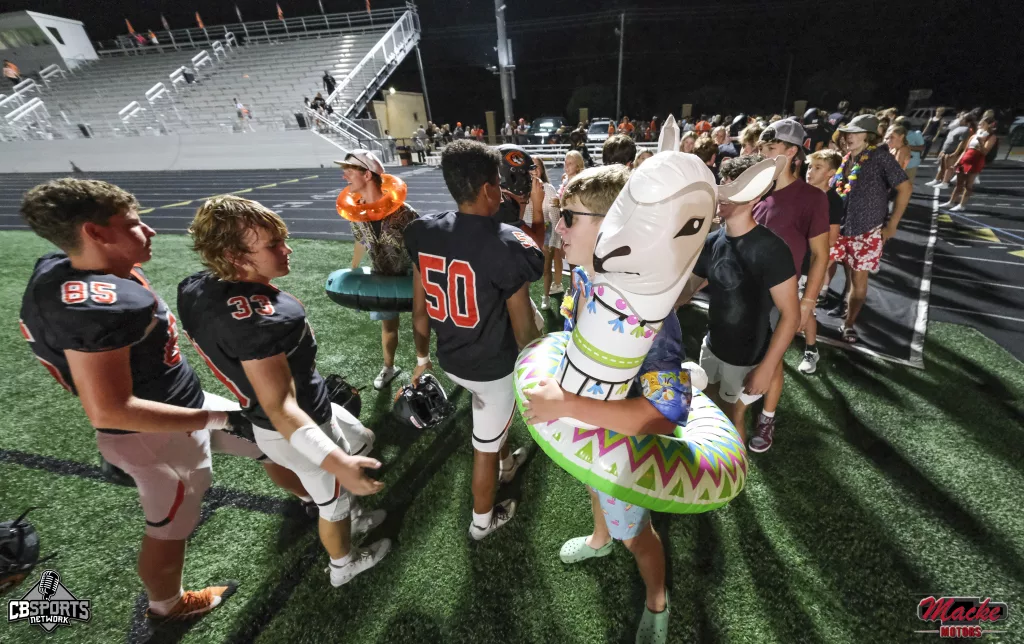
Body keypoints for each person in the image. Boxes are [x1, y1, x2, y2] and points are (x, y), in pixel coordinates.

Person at [17, 179, 307, 624]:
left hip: (177, 404)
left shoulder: (61, 268)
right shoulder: (99, 307)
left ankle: (310, 496)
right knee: (171, 528)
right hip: (155, 434)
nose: (149, 230)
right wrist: (216, 418)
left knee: (268, 443)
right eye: (133, 224)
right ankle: (168, 605)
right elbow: (109, 408)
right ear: (95, 233)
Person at [179, 196, 390, 588]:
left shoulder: (195, 288)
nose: (287, 249)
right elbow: (280, 405)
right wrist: (335, 461)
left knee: (363, 439)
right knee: (334, 501)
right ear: (234, 255)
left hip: (292, 410)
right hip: (295, 425)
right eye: (273, 244)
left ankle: (353, 516)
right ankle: (343, 566)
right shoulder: (260, 320)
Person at [522, 164, 679, 644]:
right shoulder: (583, 276)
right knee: (592, 486)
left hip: (626, 447)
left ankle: (657, 599)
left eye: (569, 216)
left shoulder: (646, 309)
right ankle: (599, 538)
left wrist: (567, 404)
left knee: (637, 536)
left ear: (613, 227)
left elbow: (662, 417)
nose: (558, 227)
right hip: (592, 433)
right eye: (559, 213)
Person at [404, 140, 542, 540]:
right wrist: (542, 373)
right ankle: (482, 522)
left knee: (491, 424)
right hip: (491, 367)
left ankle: (507, 465)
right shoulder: (505, 243)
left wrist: (421, 358)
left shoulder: (424, 231)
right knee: (484, 444)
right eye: (498, 181)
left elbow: (419, 308)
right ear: (488, 189)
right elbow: (524, 329)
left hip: (451, 359)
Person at [676, 155, 799, 441]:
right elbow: (686, 291)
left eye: (734, 187)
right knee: (706, 409)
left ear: (754, 196)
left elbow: (791, 315)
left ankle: (734, 468)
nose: (723, 194)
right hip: (713, 345)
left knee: (732, 418)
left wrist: (767, 368)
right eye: (724, 183)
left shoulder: (772, 249)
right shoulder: (712, 241)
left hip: (747, 357)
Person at [750, 120, 829, 453]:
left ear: (792, 152)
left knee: (772, 358)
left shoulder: (811, 198)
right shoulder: (755, 189)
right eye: (762, 148)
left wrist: (807, 303)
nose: (764, 154)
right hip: (743, 290)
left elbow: (820, 254)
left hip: (779, 295)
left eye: (771, 148)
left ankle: (766, 418)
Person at [829, 114, 912, 343]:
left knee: (859, 279)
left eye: (856, 132)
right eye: (848, 133)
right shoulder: (847, 158)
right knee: (835, 270)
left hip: (866, 230)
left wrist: (892, 225)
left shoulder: (880, 157)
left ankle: (849, 325)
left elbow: (905, 188)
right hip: (840, 228)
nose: (849, 137)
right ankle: (829, 307)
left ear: (869, 136)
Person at [340, 150, 420, 389]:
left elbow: (422, 248)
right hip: (382, 277)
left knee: (423, 324)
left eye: (350, 170)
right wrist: (354, 268)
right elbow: (361, 241)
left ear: (367, 175)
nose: (344, 176)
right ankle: (389, 367)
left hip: (411, 277)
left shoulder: (405, 212)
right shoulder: (356, 213)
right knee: (388, 327)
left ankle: (423, 364)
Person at [804, 148, 846, 351]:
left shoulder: (833, 201)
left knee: (805, 307)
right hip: (792, 257)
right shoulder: (800, 192)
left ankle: (811, 348)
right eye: (810, 167)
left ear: (831, 173)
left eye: (817, 168)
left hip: (809, 262)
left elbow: (832, 239)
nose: (810, 172)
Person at [523, 158, 562, 310]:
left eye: (537, 167)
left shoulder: (549, 189)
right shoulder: (521, 188)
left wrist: (555, 240)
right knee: (524, 267)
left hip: (545, 229)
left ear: (542, 170)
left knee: (546, 267)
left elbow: (555, 215)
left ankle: (546, 296)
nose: (534, 170)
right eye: (531, 167)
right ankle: (524, 297)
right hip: (525, 230)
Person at [941, 118, 997, 211]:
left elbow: (985, 152)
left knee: (968, 185)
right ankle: (951, 202)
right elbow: (965, 150)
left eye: (983, 124)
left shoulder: (991, 136)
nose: (980, 125)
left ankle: (962, 205)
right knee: (958, 184)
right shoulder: (974, 136)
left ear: (989, 125)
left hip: (976, 161)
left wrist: (981, 142)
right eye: (979, 124)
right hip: (965, 160)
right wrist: (957, 162)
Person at [926, 116, 975, 190]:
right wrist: (942, 150)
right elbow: (948, 139)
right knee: (942, 167)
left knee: (949, 168)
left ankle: (945, 183)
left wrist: (956, 152)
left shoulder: (966, 130)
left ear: (966, 121)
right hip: (946, 150)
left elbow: (962, 142)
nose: (959, 120)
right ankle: (937, 180)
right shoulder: (956, 128)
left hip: (952, 151)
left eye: (962, 119)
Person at [895, 116, 925, 183]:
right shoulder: (896, 135)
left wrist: (907, 147)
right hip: (897, 162)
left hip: (911, 163)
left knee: (907, 183)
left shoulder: (916, 134)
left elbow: (922, 148)